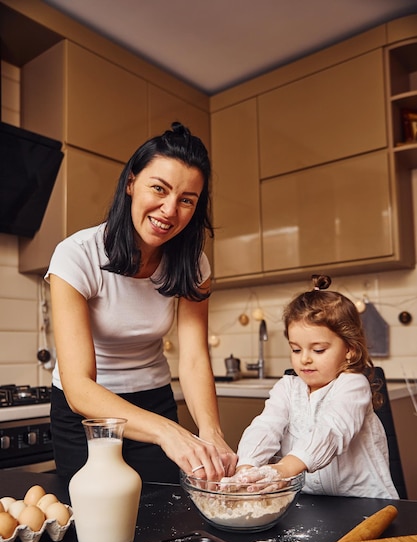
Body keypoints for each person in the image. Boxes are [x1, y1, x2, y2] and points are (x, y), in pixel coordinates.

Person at [45, 122, 237, 484]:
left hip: (154, 399)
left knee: (162, 516)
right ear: (131, 183)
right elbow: (78, 387)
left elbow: (194, 359)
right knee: (97, 523)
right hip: (88, 413)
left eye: (186, 200)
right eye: (159, 189)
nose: (169, 210)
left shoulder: (193, 263)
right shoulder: (76, 255)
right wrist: (168, 432)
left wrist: (211, 432)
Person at [233, 274, 398, 499]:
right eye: (296, 349)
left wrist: (283, 469)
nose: (305, 359)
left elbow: (331, 430)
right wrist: (247, 467)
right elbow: (266, 426)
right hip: (309, 501)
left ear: (349, 349)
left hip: (364, 503)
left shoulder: (353, 385)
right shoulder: (287, 388)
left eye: (318, 350)